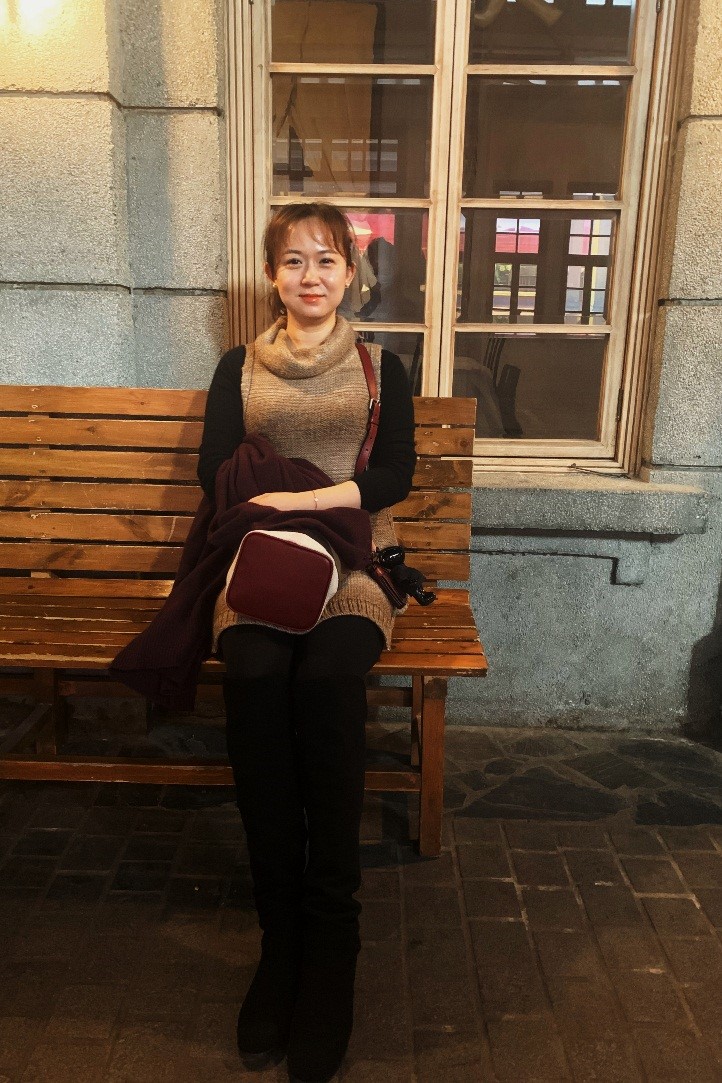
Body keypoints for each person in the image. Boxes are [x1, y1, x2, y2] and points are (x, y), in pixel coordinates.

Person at [196, 202, 416, 1082]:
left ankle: (332, 941)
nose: (311, 275)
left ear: (350, 275)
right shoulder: (238, 367)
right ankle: (278, 939)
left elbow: (393, 475)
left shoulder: (380, 368)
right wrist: (281, 513)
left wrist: (301, 499)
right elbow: (212, 470)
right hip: (263, 565)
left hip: (356, 562)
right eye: (293, 260)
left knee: (327, 680)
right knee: (252, 674)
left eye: (327, 259)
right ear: (272, 275)